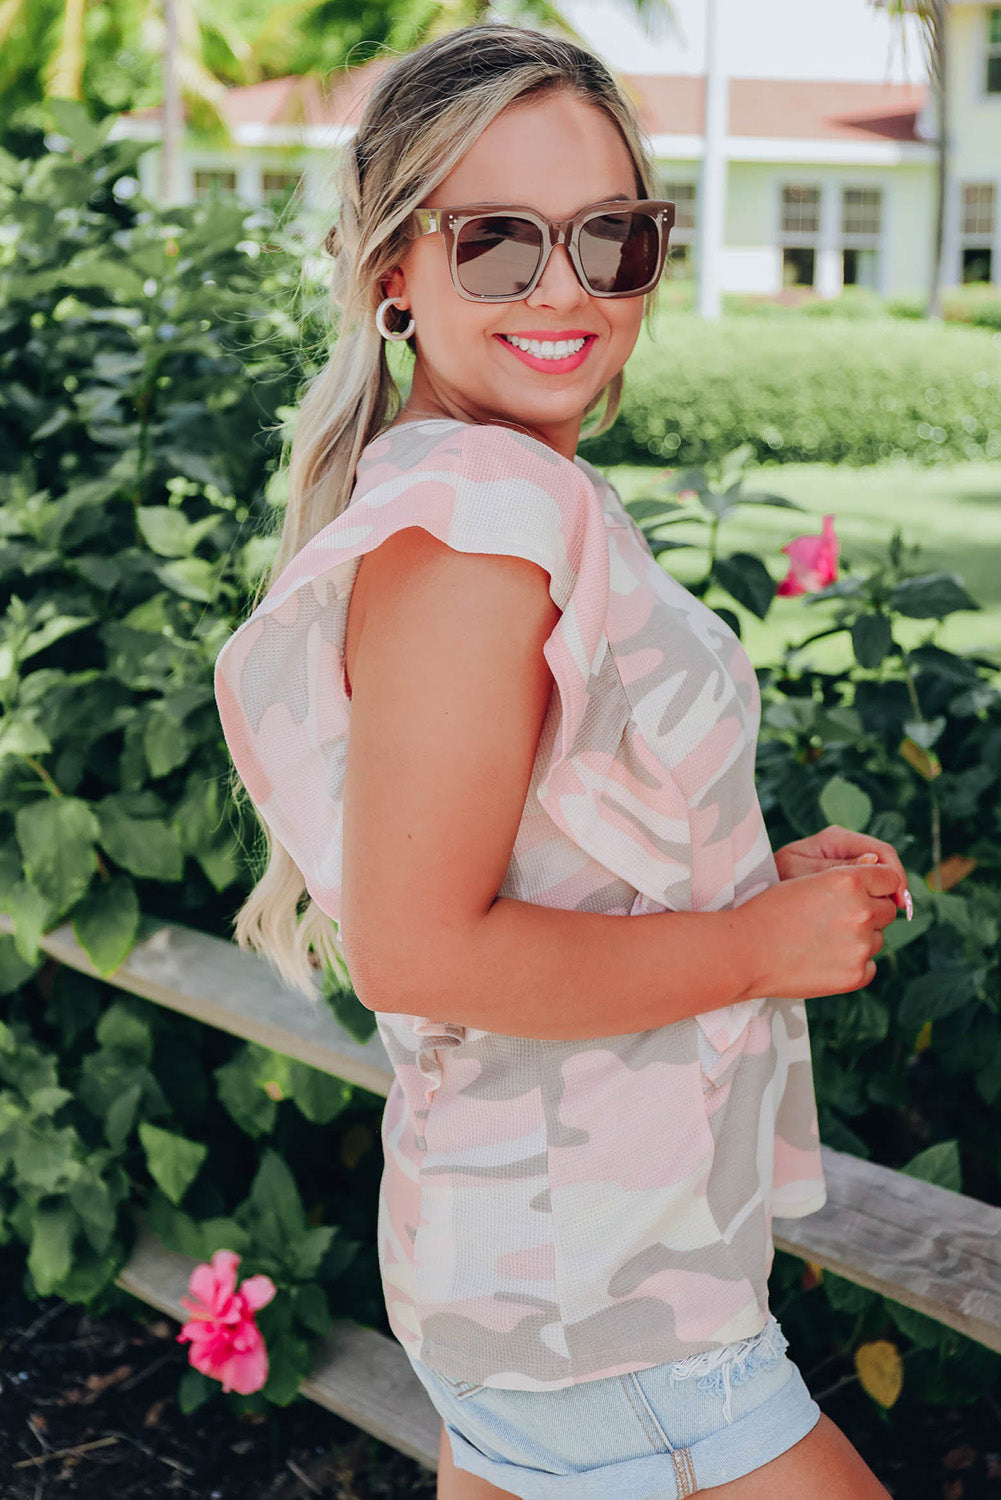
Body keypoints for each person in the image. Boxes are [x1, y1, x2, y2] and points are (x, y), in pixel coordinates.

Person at [213, 22, 910, 1499]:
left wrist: (747, 886)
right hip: (603, 1302)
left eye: (612, 238)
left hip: (560, 1268)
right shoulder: (477, 527)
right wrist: (748, 947)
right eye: (497, 243)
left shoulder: (493, 491)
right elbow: (420, 950)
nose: (564, 289)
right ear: (394, 266)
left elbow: (529, 846)